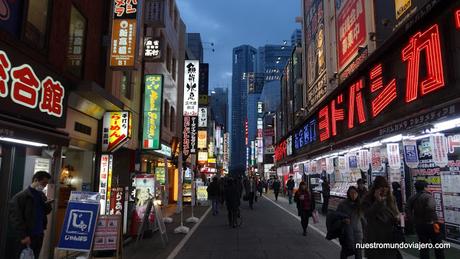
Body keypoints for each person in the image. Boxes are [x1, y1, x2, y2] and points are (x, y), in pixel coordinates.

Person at [9, 171, 53, 259]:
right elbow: (16, 219)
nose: (44, 186)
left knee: (35, 256)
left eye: (46, 184)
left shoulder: (41, 195)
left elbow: (45, 212)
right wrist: (23, 236)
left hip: (39, 234)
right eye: (43, 183)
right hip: (27, 235)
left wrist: (48, 204)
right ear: (36, 180)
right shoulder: (21, 197)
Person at [362, 176, 401, 259]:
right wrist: (378, 201)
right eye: (381, 187)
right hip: (374, 237)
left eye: (386, 187)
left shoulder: (391, 199)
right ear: (375, 188)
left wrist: (398, 218)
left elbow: (395, 213)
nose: (384, 190)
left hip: (390, 237)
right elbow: (368, 215)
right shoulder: (367, 199)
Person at [406, 180, 445, 259]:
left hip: (419, 225)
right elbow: (431, 207)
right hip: (433, 224)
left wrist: (413, 219)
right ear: (424, 188)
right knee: (438, 245)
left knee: (423, 246)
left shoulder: (412, 197)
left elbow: (407, 209)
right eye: (427, 186)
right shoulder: (428, 196)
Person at [337, 186, 365, 259]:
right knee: (345, 252)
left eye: (355, 193)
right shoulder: (342, 204)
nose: (353, 195)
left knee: (358, 254)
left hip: (358, 234)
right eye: (351, 193)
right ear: (348, 194)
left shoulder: (360, 204)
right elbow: (337, 217)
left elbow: (364, 219)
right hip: (346, 233)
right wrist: (343, 220)